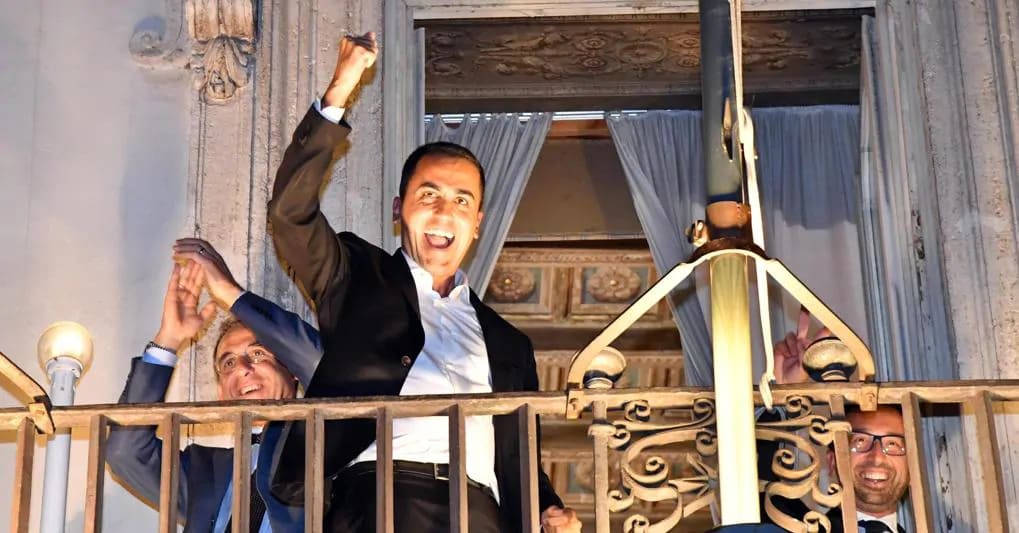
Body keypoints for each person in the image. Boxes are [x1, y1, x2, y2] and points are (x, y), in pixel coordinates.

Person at [267, 32, 580, 532]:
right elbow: (290, 214)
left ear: (476, 224)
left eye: (461, 201)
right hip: (379, 501)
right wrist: (340, 89)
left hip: (480, 514)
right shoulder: (356, 275)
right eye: (428, 195)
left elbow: (517, 458)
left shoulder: (509, 343)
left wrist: (548, 509)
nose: (443, 212)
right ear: (399, 210)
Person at [107, 239, 322, 532]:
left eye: (258, 354)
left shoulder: (328, 445)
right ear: (222, 393)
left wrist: (231, 293)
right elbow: (125, 452)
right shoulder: (203, 470)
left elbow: (325, 367)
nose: (242, 368)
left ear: (292, 369)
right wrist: (168, 340)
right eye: (228, 363)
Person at [766, 309, 910, 533]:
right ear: (832, 461)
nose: (876, 457)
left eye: (893, 444)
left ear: (912, 465)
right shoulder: (799, 528)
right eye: (860, 441)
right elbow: (750, 494)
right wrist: (781, 400)